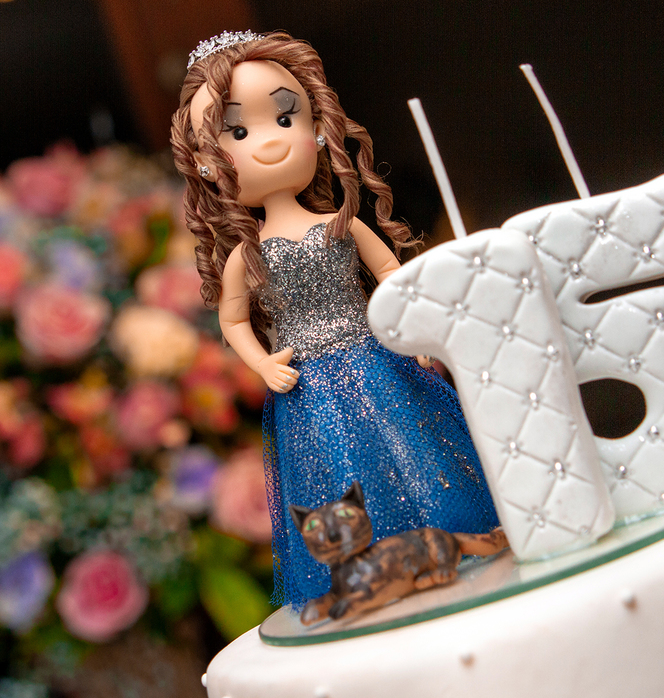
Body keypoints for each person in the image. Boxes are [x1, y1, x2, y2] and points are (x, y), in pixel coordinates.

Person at [170, 31, 499, 607]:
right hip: (307, 387)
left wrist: (416, 327)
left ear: (318, 127)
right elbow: (234, 321)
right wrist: (261, 364)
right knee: (341, 472)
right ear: (204, 161)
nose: (270, 141)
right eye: (238, 132)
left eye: (285, 117)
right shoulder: (247, 256)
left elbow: (391, 273)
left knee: (414, 449)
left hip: (377, 359)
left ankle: (447, 543)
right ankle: (374, 572)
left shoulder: (341, 224)